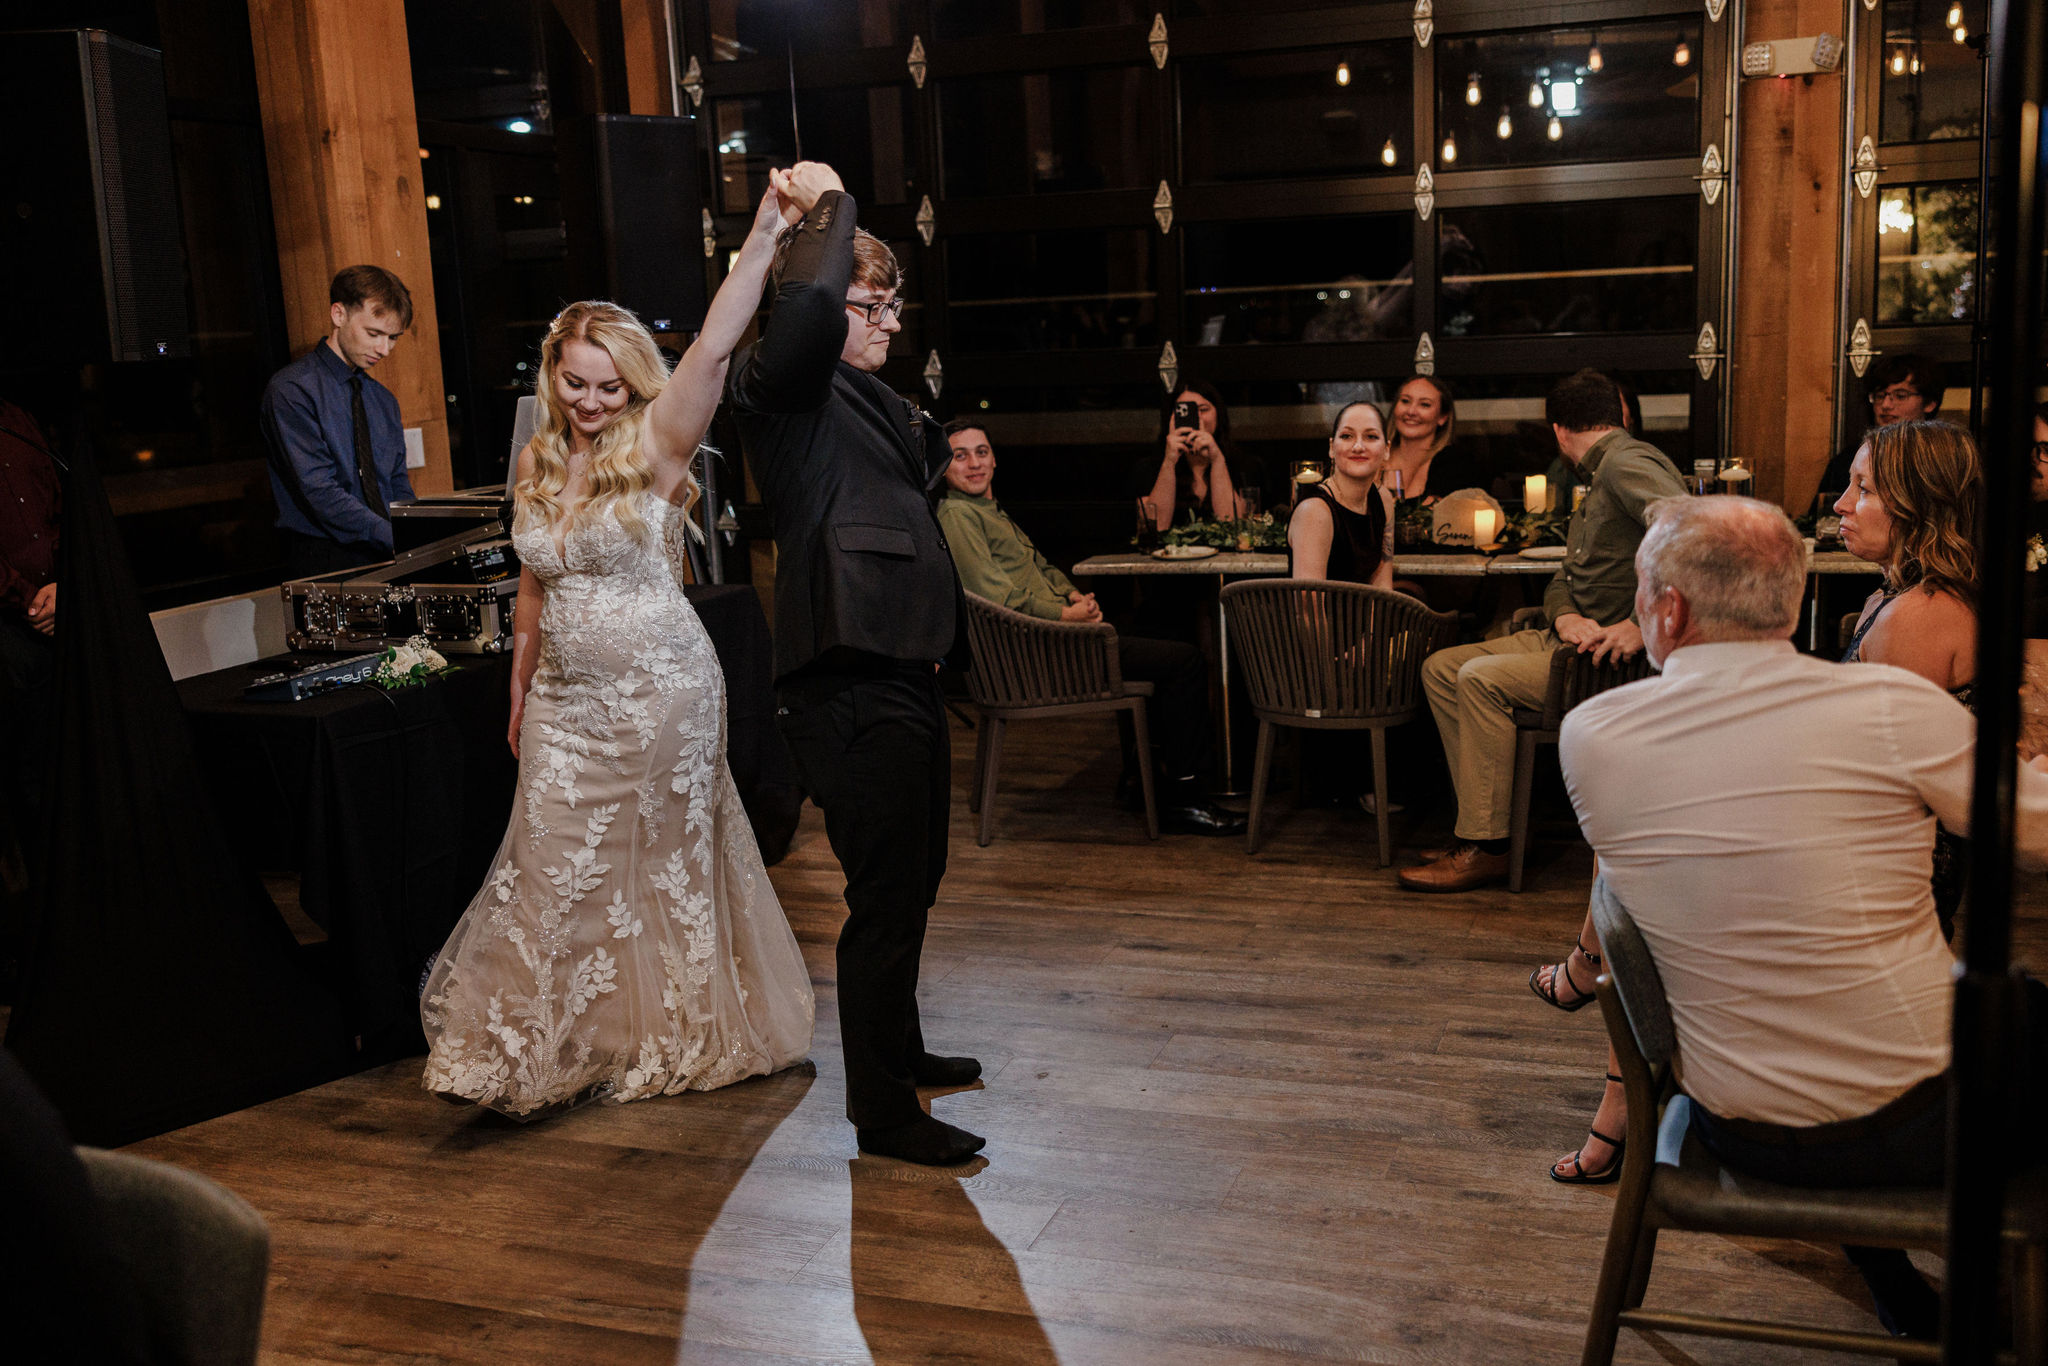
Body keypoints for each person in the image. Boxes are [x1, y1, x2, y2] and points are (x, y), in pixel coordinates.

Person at [1560, 494, 2048, 1342]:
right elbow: (2037, 836)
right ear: (1789, 600)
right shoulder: (1889, 711)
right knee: (2017, 1010)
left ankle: (1898, 1289)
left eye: (1640, 590)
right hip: (1917, 1122)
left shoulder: (1592, 735)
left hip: (1730, 1119)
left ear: (1668, 609)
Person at [419, 184, 815, 1119]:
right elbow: (531, 583)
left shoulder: (660, 440)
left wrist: (763, 231)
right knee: (551, 860)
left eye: (609, 386)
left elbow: (717, 344)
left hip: (661, 689)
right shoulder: (534, 462)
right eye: (574, 382)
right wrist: (521, 687)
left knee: (658, 866)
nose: (592, 402)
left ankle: (661, 1032)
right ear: (551, 372)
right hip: (563, 696)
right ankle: (527, 1051)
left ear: (634, 383)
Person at [727, 162, 985, 1168]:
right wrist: (828, 208)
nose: (888, 322)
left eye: (890, 303)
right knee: (882, 897)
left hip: (901, 673)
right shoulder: (779, 389)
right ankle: (881, 1112)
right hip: (842, 683)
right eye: (871, 303)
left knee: (914, 878)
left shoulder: (870, 401)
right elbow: (799, 309)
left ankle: (903, 1049)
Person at [1403, 370, 1688, 893]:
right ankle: (1497, 830)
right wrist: (1562, 615)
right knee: (1441, 668)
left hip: (1605, 661)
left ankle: (1488, 847)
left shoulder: (1627, 464)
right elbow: (1566, 575)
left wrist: (1637, 626)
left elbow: (1690, 536)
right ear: (1617, 415)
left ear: (1558, 430)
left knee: (1478, 678)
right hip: (1570, 637)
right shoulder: (1603, 473)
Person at [937, 419, 1244, 836]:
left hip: (1051, 642)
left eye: (982, 451)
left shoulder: (987, 510)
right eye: (960, 455)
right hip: (1036, 658)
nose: (974, 463)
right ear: (942, 466)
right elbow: (996, 595)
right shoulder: (957, 514)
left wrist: (1073, 598)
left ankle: (1148, 782)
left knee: (1162, 642)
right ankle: (1185, 799)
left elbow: (1041, 568)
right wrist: (1065, 617)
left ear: (995, 458)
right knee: (1184, 660)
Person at [1837, 418, 1981, 937]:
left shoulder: (1922, 613)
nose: (1842, 504)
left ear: (1920, 505)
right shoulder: (1892, 597)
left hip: (1895, 878)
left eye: (1865, 488)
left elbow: (1890, 783)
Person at [260, 265, 419, 578]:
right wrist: (395, 538)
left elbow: (397, 485)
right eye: (373, 334)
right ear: (339, 314)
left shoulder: (383, 400)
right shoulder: (292, 390)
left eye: (393, 338)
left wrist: (416, 535)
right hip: (325, 559)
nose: (384, 349)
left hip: (387, 551)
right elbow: (319, 492)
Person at [1290, 400, 1395, 589]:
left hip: (1362, 618)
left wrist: (1376, 620)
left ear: (1386, 450)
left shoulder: (1383, 499)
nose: (1358, 446)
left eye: (1371, 436)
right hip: (1322, 618)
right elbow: (1308, 612)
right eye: (1347, 436)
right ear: (1331, 447)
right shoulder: (1315, 511)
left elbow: (1383, 591)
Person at [1816, 352, 1945, 504]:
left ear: (1930, 403)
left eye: (1900, 396)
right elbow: (1826, 516)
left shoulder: (1941, 459)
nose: (1885, 405)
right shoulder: (1849, 459)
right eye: (1880, 396)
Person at [1142, 379, 1250, 529]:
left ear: (1218, 414)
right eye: (1185, 411)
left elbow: (1234, 528)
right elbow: (1155, 527)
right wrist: (1169, 462)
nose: (1197, 418)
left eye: (1203, 409)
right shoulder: (1150, 467)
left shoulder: (1243, 465)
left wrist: (1217, 460)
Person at [1383, 375, 1482, 505]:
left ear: (1443, 417)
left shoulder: (1455, 465)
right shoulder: (1373, 457)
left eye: (1424, 404)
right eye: (1405, 401)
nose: (1411, 411)